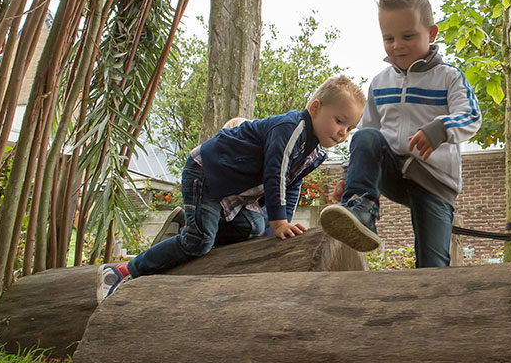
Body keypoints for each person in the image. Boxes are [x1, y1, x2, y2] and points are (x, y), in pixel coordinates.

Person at [97, 75, 365, 300]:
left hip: (234, 192)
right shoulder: (292, 128)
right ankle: (122, 272)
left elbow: (292, 184)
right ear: (315, 108)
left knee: (256, 228)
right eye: (339, 121)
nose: (343, 132)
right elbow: (277, 174)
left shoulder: (316, 152)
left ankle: (193, 227)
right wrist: (279, 221)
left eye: (349, 128)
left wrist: (286, 224)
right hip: (207, 174)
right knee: (198, 242)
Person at [319, 0, 481, 267]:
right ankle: (363, 210)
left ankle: (431, 302)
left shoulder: (449, 78)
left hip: (434, 181)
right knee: (366, 136)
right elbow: (367, 134)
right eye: (388, 38)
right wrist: (349, 178)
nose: (397, 45)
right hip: (393, 171)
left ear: (431, 34)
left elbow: (471, 115)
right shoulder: (380, 83)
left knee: (432, 264)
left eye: (408, 36)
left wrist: (439, 129)